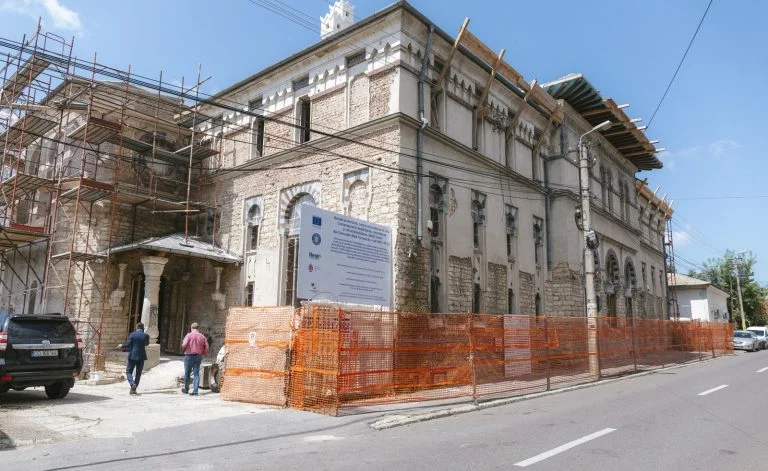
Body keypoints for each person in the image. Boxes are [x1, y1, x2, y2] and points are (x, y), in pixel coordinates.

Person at [118, 322, 150, 395]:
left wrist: (121, 345)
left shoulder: (132, 335)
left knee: (128, 372)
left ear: (137, 327)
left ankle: (132, 384)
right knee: (138, 373)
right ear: (143, 328)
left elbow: (127, 344)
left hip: (133, 356)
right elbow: (147, 344)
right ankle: (133, 389)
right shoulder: (146, 336)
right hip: (141, 357)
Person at [181, 322, 209, 396]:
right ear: (198, 328)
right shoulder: (202, 336)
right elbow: (206, 347)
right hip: (198, 356)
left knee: (187, 373)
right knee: (196, 373)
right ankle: (195, 391)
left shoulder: (188, 335)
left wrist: (184, 349)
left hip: (189, 356)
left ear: (191, 328)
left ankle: (186, 389)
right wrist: (203, 353)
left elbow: (184, 344)